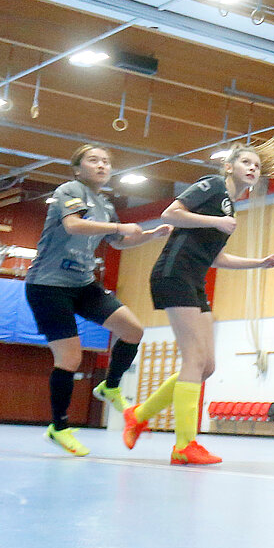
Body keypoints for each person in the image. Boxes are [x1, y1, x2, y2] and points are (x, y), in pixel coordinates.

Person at [122, 140, 274, 465]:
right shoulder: (212, 186)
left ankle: (139, 414)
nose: (252, 168)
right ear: (229, 167)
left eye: (256, 165)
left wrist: (259, 263)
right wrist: (214, 222)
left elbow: (216, 257)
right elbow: (171, 213)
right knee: (193, 361)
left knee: (206, 366)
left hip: (195, 279)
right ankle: (184, 446)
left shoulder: (229, 206)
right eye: (246, 163)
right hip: (173, 274)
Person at [24, 144, 170, 456]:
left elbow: (118, 243)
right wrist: (119, 226)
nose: (102, 165)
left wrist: (150, 235)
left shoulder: (104, 204)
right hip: (48, 285)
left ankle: (110, 386)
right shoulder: (70, 189)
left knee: (133, 330)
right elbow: (74, 225)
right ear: (77, 168)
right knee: (70, 359)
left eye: (106, 161)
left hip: (83, 284)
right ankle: (59, 427)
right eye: (94, 160)